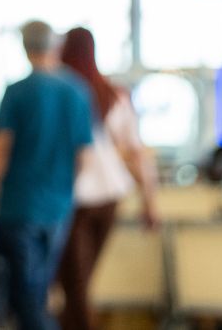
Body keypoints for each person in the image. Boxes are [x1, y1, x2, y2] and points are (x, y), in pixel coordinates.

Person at [0, 21, 93, 330]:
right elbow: (84, 157)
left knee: (26, 302)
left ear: (25, 47)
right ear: (55, 46)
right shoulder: (77, 92)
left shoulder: (18, 92)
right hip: (58, 212)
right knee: (36, 293)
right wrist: (62, 193)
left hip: (16, 211)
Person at [57, 27, 157, 330]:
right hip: (110, 197)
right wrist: (149, 202)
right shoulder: (114, 95)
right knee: (79, 286)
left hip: (74, 198)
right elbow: (137, 153)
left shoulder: (63, 92)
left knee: (75, 289)